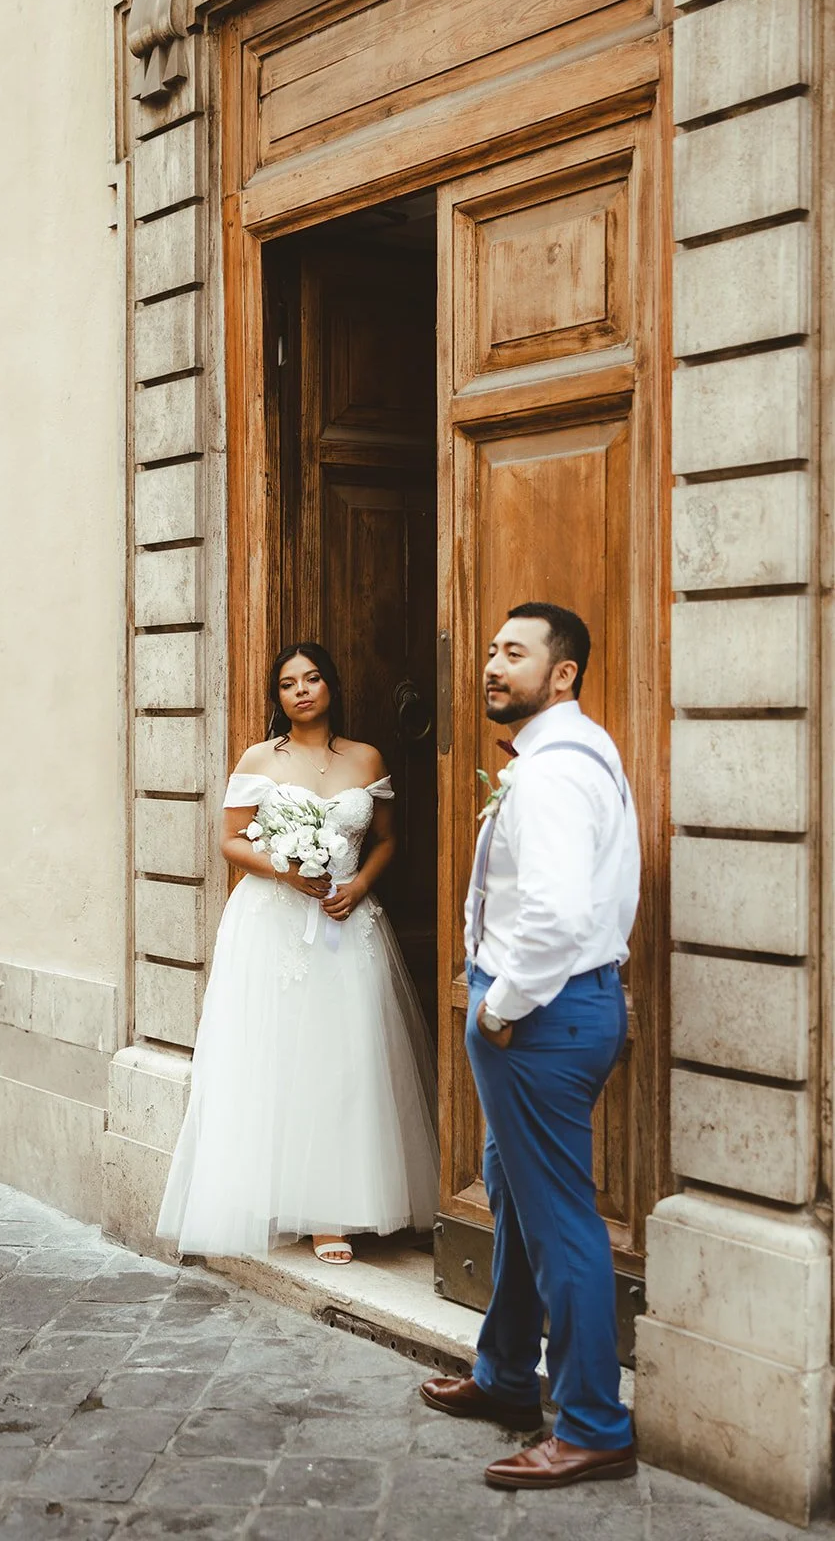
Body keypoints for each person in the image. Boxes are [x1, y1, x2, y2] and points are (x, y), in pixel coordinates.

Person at [420, 602, 640, 1489]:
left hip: (541, 1019)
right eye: (489, 650)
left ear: (563, 674)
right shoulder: (574, 752)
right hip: (560, 1009)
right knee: (512, 1193)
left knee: (561, 1225)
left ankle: (592, 1424)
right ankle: (507, 1376)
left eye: (514, 653)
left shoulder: (548, 776)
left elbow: (553, 915)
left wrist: (500, 1006)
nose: (490, 665)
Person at [156, 641, 439, 1266]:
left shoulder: (367, 758)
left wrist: (359, 886)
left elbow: (389, 840)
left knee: (350, 1057)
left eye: (313, 679)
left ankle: (346, 1200)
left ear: (331, 687)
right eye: (289, 684)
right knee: (283, 1056)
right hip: (275, 925)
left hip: (348, 923)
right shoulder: (260, 758)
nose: (302, 691)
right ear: (277, 697)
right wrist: (284, 871)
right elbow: (230, 841)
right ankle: (303, 1208)